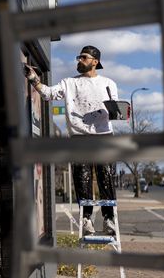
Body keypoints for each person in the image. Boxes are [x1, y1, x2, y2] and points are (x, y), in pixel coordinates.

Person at [25, 45, 118, 235]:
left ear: (95, 61)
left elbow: (114, 110)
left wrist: (118, 112)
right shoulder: (69, 83)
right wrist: (33, 78)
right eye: (78, 57)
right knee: (82, 180)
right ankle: (87, 220)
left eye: (83, 57)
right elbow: (48, 93)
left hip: (103, 137)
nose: (79, 60)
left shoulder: (109, 83)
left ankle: (109, 220)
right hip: (79, 138)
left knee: (105, 178)